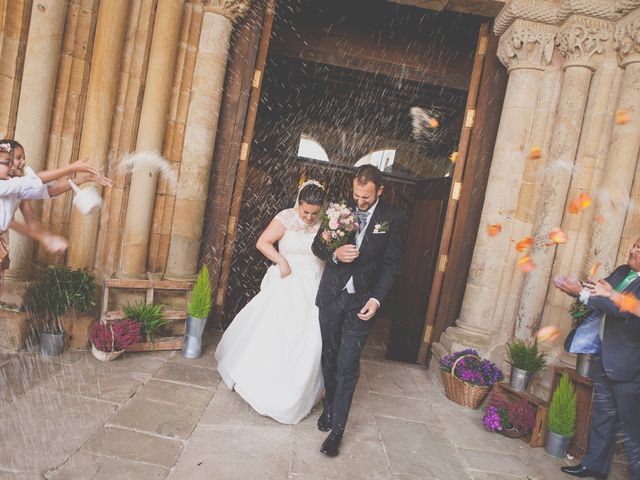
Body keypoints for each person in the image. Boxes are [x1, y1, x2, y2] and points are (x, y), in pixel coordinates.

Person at [311, 165, 407, 457]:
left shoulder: (394, 218)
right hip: (331, 295)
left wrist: (377, 300)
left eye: (366, 196)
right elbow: (317, 246)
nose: (360, 201)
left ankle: (337, 430)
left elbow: (391, 265)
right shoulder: (337, 209)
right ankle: (328, 408)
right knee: (329, 356)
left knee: (347, 363)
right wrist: (335, 254)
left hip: (362, 301)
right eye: (356, 194)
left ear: (379, 190)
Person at [215, 181, 326, 424]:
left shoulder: (324, 224)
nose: (308, 218)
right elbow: (262, 242)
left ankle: (299, 389)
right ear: (299, 203)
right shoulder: (285, 218)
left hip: (314, 284)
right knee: (279, 331)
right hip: (288, 280)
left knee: (310, 338)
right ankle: (263, 381)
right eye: (305, 212)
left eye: (314, 213)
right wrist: (281, 260)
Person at [554, 238, 640, 480]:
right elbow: (600, 294)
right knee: (603, 414)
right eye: (634, 244)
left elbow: (620, 309)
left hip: (630, 364)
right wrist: (579, 288)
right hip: (604, 353)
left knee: (633, 430)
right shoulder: (623, 271)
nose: (632, 249)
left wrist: (582, 294)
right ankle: (595, 466)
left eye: (639, 248)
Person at [0, 142, 106, 265]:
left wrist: (83, 179)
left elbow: (47, 190)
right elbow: (35, 180)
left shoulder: (14, 186)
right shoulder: (5, 186)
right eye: (18, 158)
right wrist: (71, 168)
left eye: (24, 158)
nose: (23, 162)